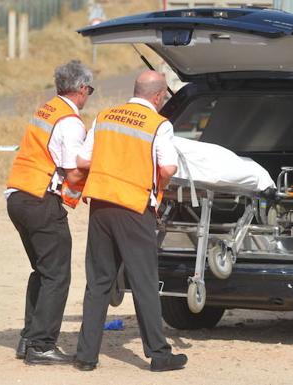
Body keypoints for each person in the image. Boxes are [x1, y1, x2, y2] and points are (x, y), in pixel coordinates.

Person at [73, 70, 187, 372]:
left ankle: (85, 356)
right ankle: (160, 355)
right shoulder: (158, 125)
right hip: (134, 210)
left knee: (97, 282)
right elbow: (168, 168)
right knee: (144, 281)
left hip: (100, 206)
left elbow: (83, 161)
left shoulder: (106, 116)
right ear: (159, 96)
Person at [5, 60, 93, 365]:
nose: (88, 96)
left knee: (42, 271)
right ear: (82, 89)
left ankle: (29, 339)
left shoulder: (46, 109)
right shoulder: (70, 121)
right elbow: (73, 171)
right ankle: (42, 345)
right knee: (57, 274)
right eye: (90, 90)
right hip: (41, 200)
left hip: (18, 194)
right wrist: (80, 196)